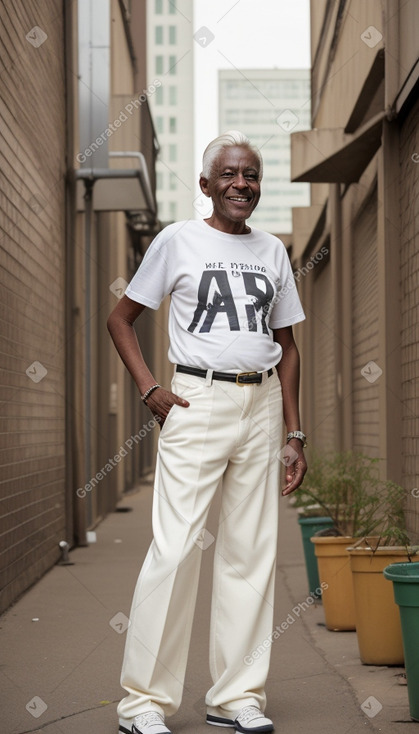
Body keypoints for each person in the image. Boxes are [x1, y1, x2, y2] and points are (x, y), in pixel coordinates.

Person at [107, 130, 307, 734]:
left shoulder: (272, 251)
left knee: (251, 554)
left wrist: (295, 434)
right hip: (195, 400)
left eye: (250, 175)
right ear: (205, 185)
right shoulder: (177, 240)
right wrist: (149, 388)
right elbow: (121, 319)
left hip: (261, 404)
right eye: (229, 175)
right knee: (174, 550)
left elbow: (288, 346)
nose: (241, 184)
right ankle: (143, 704)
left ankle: (235, 696)